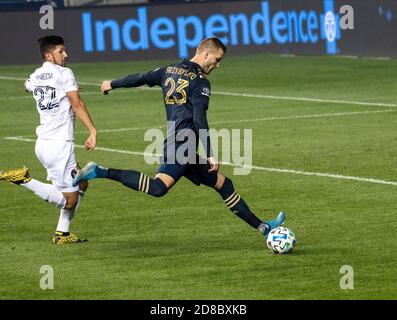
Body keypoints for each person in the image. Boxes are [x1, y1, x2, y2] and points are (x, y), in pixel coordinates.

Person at [73, 37, 285, 239]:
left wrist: (113, 83)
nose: (218, 65)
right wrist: (210, 154)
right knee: (158, 188)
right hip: (181, 145)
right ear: (205, 54)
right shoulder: (201, 83)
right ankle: (98, 171)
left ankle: (264, 227)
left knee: (224, 184)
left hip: (183, 145)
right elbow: (199, 118)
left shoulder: (168, 70)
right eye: (217, 60)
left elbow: (141, 77)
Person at [0, 35, 97, 244]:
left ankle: (63, 233)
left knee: (82, 183)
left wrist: (56, 91)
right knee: (69, 200)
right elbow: (76, 104)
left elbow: (26, 86)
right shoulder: (65, 73)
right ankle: (24, 180)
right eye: (61, 51)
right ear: (48, 55)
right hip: (59, 146)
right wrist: (92, 130)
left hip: (43, 143)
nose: (66, 55)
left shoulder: (36, 75)